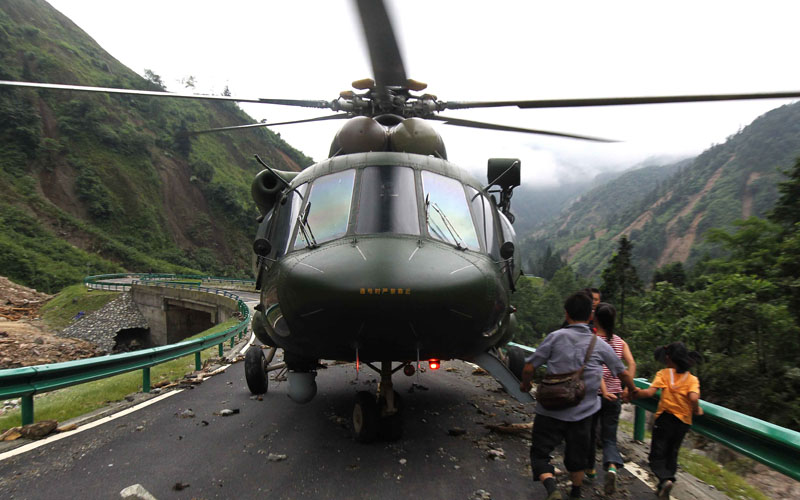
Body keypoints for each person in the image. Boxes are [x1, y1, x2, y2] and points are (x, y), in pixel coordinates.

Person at [520, 291, 638, 500]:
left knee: (540, 454)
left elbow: (530, 366)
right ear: (590, 317)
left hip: (550, 410)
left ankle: (551, 488)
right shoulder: (600, 345)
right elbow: (623, 372)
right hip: (583, 414)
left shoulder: (555, 337)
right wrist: (632, 390)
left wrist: (526, 384)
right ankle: (575, 492)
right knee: (578, 457)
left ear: (566, 314)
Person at [634, 342, 703, 499]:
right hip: (683, 422)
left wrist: (635, 392)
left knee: (657, 455)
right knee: (672, 453)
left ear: (668, 358)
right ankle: (664, 485)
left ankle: (665, 480)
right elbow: (693, 397)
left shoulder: (664, 374)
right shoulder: (692, 379)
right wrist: (697, 409)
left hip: (665, 419)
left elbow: (649, 393)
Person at [584, 302, 636, 494]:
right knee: (609, 437)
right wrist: (627, 389)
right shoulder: (620, 342)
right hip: (615, 395)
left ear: (595, 318)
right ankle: (612, 466)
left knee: (590, 434)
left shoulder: (591, 340)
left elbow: (596, 370)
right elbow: (631, 364)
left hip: (594, 394)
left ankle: (590, 470)